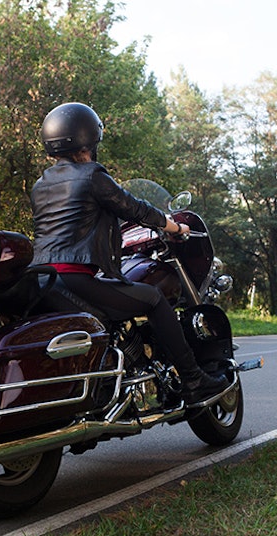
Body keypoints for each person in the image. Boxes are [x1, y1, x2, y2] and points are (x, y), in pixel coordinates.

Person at [30, 102, 229, 404]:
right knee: (153, 298)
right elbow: (132, 207)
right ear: (88, 140)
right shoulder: (92, 176)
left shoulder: (41, 185)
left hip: (44, 280)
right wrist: (172, 227)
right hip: (76, 278)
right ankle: (192, 379)